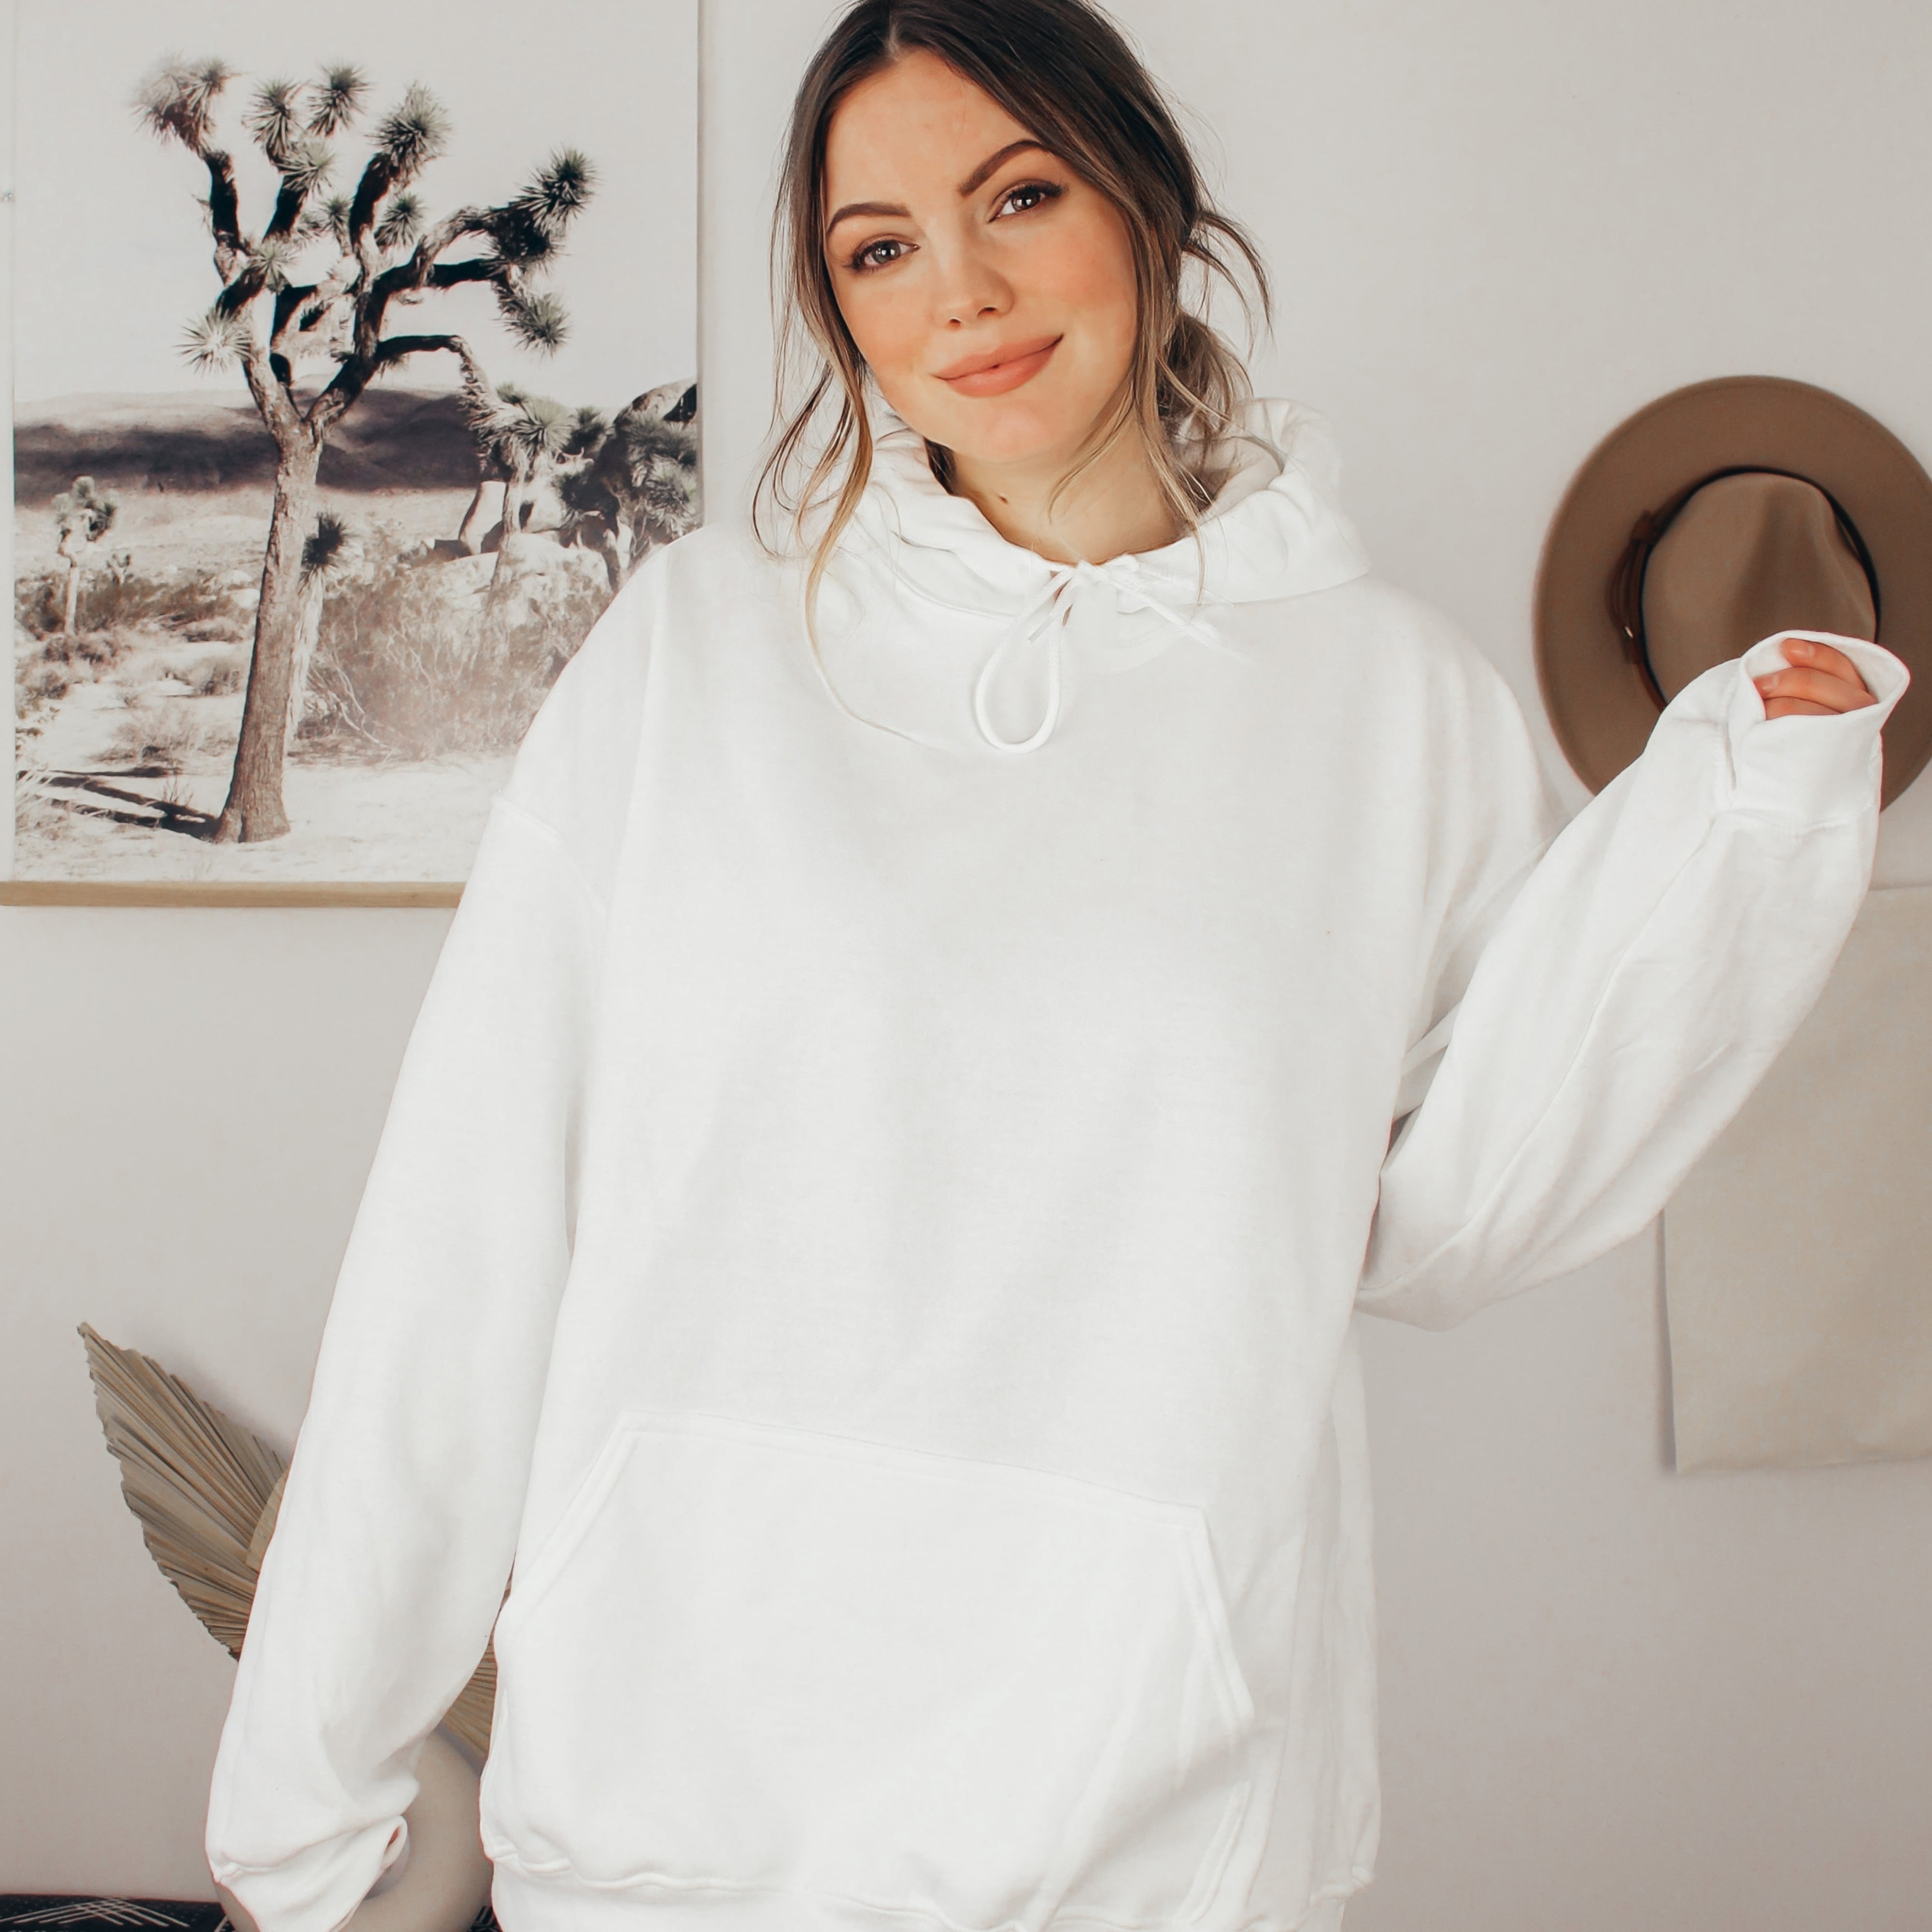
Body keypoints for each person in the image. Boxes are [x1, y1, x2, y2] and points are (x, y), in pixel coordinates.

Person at [203, 2, 1905, 1930]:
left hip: (1156, 1824)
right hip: (676, 1799)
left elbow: (1454, 1217)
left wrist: (1743, 820)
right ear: (836, 305)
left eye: (1020, 193)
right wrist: (306, 1785)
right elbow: (466, 1221)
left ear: (1147, 208)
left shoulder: (1388, 706)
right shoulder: (699, 659)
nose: (964, 290)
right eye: (880, 246)